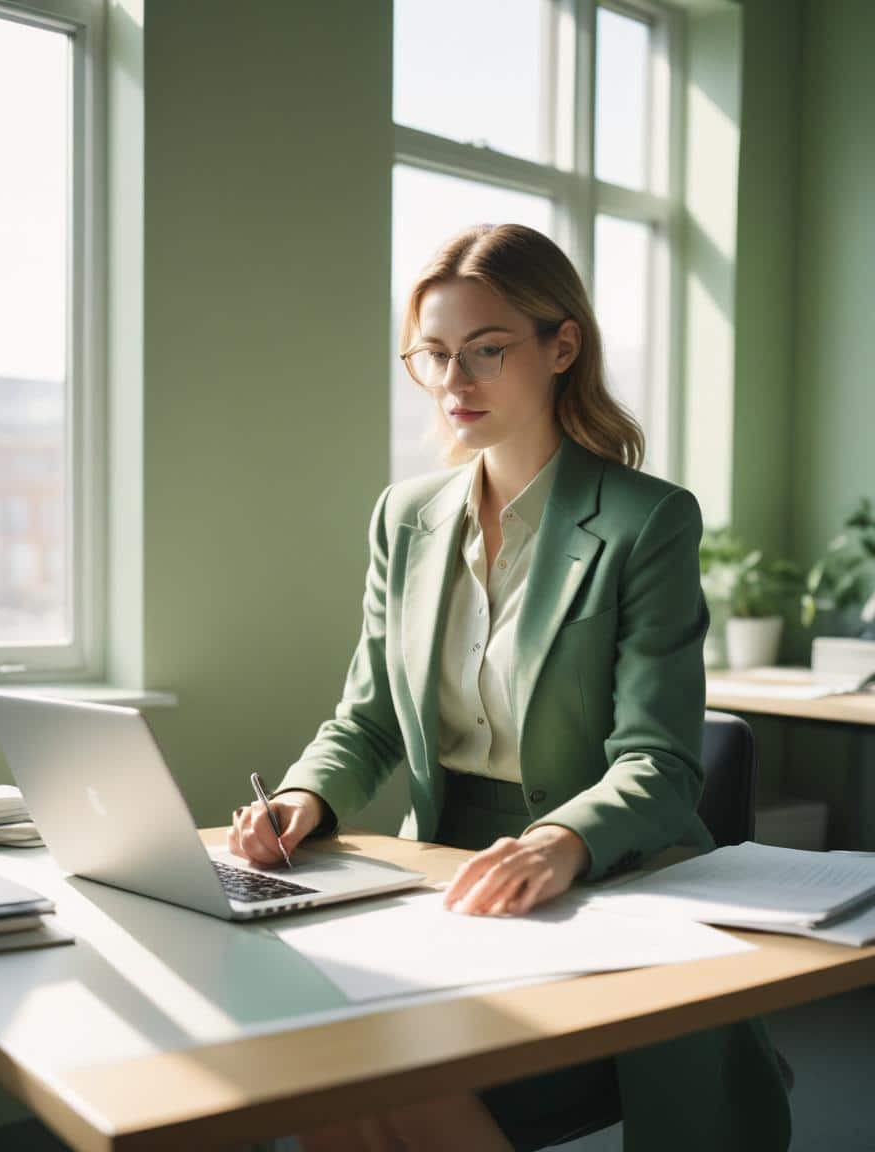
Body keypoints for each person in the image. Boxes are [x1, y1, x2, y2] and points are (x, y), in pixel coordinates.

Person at [228, 224, 791, 1152]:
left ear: (561, 346)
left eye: (486, 352)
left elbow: (659, 761)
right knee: (320, 1076)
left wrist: (559, 842)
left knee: (388, 1077)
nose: (456, 384)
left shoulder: (649, 522)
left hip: (599, 880)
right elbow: (367, 718)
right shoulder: (405, 517)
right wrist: (302, 797)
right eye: (434, 356)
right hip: (442, 885)